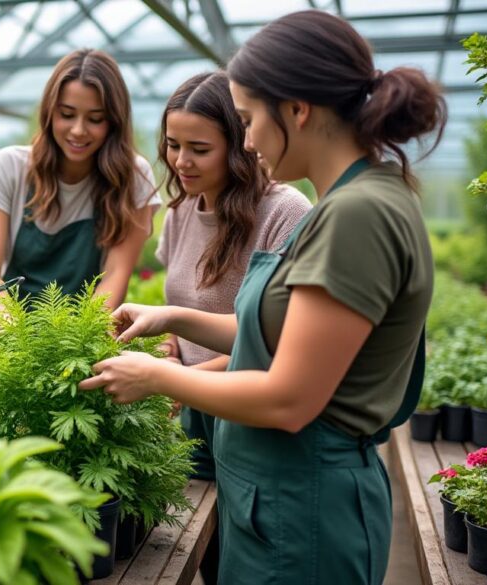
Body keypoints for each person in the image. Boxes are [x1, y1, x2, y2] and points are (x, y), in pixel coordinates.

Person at [81, 10, 443, 584]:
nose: (246, 140)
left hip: (302, 510)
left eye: (248, 119)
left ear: (297, 110)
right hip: (279, 503)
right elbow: (280, 337)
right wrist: (171, 317)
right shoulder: (353, 202)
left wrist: (155, 379)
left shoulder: (355, 215)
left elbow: (289, 397)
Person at [156, 71, 311, 585]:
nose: (181, 162)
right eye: (173, 145)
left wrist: (180, 382)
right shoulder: (179, 212)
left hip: (248, 409)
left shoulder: (284, 212)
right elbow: (175, 309)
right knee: (207, 553)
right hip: (186, 413)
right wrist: (168, 355)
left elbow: (277, 339)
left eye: (199, 148)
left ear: (240, 144)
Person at [0, 49, 158, 340]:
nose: (78, 131)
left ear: (114, 121)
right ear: (49, 113)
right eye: (67, 115)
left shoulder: (133, 177)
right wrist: (8, 323)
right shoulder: (10, 167)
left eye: (95, 119)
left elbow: (115, 275)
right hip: (7, 341)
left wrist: (76, 340)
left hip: (82, 342)